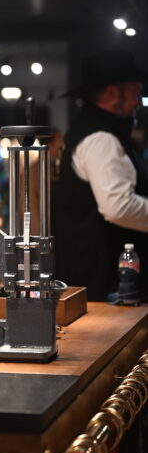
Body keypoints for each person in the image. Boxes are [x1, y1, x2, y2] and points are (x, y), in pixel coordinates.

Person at [54, 49, 148, 301]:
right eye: (134, 92)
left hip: (100, 278)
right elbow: (118, 207)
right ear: (111, 92)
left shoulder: (89, 130)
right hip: (107, 282)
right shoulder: (100, 138)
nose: (138, 100)